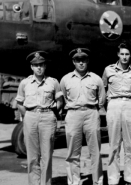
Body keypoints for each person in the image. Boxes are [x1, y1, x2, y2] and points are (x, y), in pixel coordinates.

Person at [16, 51, 63, 185]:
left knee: (46, 155)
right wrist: (29, 115)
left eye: (41, 64)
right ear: (31, 67)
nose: (39, 67)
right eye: (36, 65)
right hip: (30, 116)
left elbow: (59, 101)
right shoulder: (25, 83)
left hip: (48, 117)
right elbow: (19, 103)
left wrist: (52, 114)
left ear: (45, 66)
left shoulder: (53, 82)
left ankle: (45, 183)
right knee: (32, 156)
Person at [102, 42, 131, 185]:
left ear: (130, 55)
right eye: (122, 54)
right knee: (114, 144)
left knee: (129, 145)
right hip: (113, 104)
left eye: (127, 54)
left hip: (129, 104)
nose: (125, 57)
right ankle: (113, 179)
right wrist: (107, 106)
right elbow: (102, 89)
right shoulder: (108, 70)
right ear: (118, 55)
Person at [60, 48, 106, 185]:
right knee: (72, 152)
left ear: (88, 61)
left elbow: (101, 99)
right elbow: (64, 97)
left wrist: (92, 109)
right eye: (78, 60)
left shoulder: (96, 79)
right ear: (73, 62)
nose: (81, 63)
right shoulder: (65, 79)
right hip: (73, 114)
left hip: (91, 113)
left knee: (95, 151)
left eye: (84, 60)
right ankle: (74, 181)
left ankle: (97, 181)